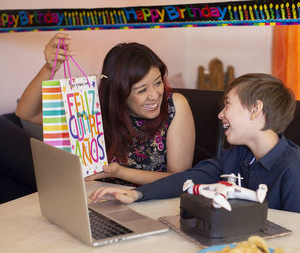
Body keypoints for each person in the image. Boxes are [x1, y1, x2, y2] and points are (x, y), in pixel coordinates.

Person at [89, 73, 300, 215]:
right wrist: (136, 195)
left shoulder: (295, 173)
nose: (221, 114)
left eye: (228, 104)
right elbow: (188, 178)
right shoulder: (236, 156)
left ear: (255, 109)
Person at [16, 33, 195, 186]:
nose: (155, 95)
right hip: (100, 202)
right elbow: (26, 113)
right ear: (119, 92)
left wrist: (118, 172)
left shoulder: (174, 106)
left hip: (152, 204)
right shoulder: (93, 107)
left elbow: (179, 179)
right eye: (141, 90)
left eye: (158, 82)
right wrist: (50, 67)